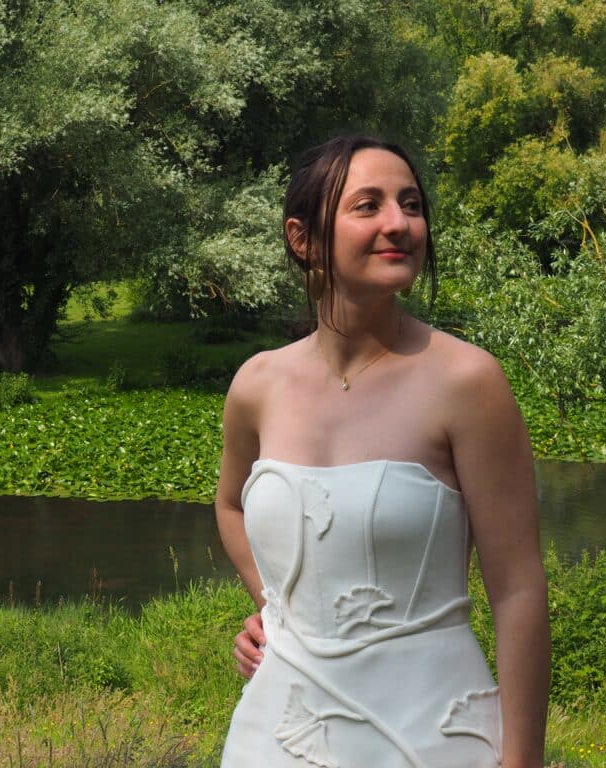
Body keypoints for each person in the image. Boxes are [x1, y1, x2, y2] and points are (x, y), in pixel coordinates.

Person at [215, 134, 549, 768]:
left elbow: (519, 589)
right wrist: (276, 607)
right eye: (367, 205)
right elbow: (230, 505)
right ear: (303, 238)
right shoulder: (257, 385)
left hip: (432, 734)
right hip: (277, 734)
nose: (400, 223)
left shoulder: (468, 383)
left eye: (411, 204)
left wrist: (523, 760)